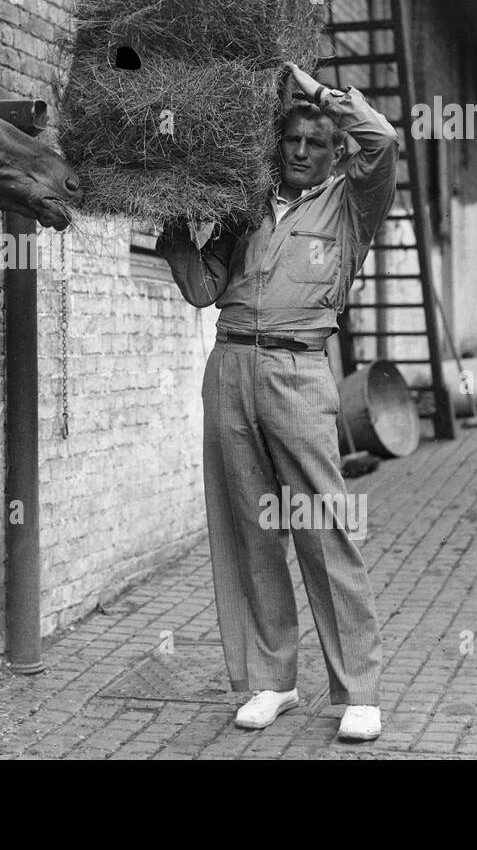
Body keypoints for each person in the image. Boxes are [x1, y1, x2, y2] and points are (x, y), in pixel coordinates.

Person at [156, 61, 399, 743]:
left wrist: (320, 93)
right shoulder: (246, 207)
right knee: (250, 530)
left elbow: (383, 141)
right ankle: (273, 681)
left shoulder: (353, 204)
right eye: (291, 141)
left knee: (322, 525)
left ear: (333, 152)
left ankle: (358, 691)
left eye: (316, 142)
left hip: (298, 371)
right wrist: (174, 234)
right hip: (229, 364)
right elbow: (206, 290)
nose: (300, 152)